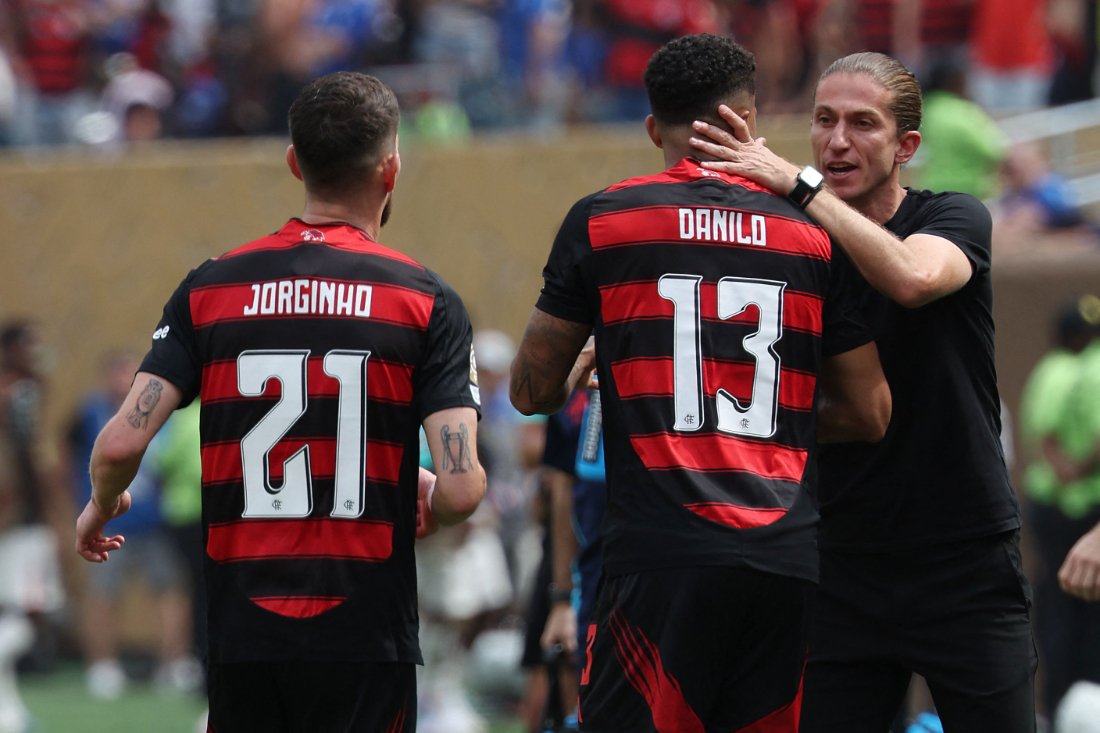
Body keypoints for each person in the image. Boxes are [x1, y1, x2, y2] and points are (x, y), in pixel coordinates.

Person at [73, 70, 487, 732]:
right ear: (391, 171)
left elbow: (121, 442)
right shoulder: (424, 301)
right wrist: (428, 504)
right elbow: (462, 490)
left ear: (295, 163)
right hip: (366, 631)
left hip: (245, 632)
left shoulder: (211, 288)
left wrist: (101, 502)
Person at [510, 34, 891, 732]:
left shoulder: (606, 220)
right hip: (782, 556)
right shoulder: (812, 235)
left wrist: (612, 370)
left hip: (659, 554)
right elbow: (869, 410)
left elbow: (532, 391)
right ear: (749, 124)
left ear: (654, 127)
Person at [689, 50, 1037, 731]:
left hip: (962, 558)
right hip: (838, 561)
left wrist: (800, 186)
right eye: (823, 120)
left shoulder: (953, 218)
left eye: (862, 123)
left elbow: (910, 277)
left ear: (907, 145)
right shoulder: (790, 242)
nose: (837, 140)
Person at [67, 350, 197, 699]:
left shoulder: (160, 412)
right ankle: (103, 666)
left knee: (172, 591)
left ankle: (173, 663)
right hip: (107, 523)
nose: (124, 381)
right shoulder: (88, 413)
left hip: (155, 522)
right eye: (118, 372)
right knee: (102, 594)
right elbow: (69, 457)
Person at [1017, 297, 1100, 718]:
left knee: (1057, 606)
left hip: (1050, 504)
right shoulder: (1084, 369)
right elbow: (1057, 443)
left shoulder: (1050, 369)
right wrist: (1076, 469)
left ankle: (1059, 706)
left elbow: (1041, 436)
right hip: (1079, 507)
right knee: (1080, 617)